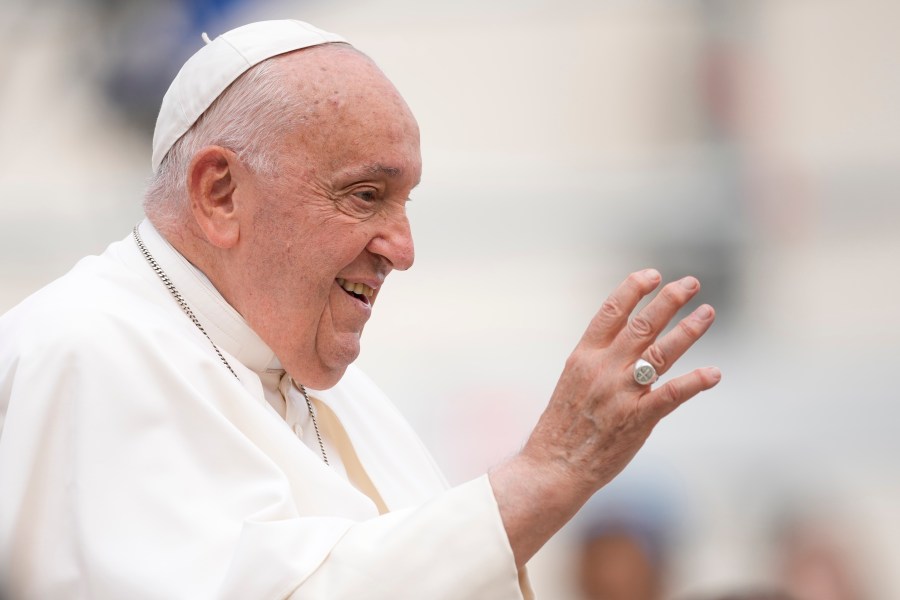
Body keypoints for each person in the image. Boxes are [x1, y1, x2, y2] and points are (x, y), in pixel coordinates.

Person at [0, 19, 721, 600]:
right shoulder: (81, 351)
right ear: (220, 193)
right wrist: (546, 474)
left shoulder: (339, 392)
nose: (403, 250)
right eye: (366, 196)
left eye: (405, 202)